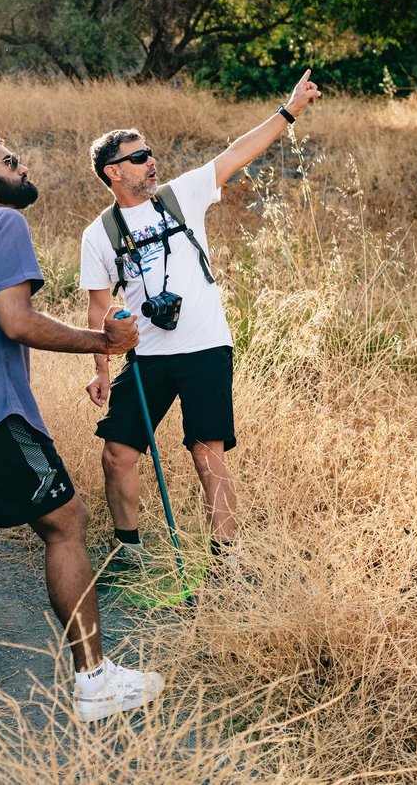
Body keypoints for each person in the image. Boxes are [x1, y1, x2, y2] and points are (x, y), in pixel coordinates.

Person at [0, 136, 163, 785]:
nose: (25, 169)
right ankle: (94, 680)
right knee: (66, 521)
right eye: (13, 161)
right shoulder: (0, 222)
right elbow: (16, 320)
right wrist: (103, 340)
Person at [80, 71, 321, 579]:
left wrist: (290, 110)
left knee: (206, 452)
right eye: (139, 157)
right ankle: (129, 553)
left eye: (149, 153)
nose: (152, 162)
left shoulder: (181, 195)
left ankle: (225, 562)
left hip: (207, 347)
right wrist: (102, 367)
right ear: (112, 172)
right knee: (118, 452)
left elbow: (238, 152)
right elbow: (98, 308)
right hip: (145, 356)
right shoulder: (99, 233)